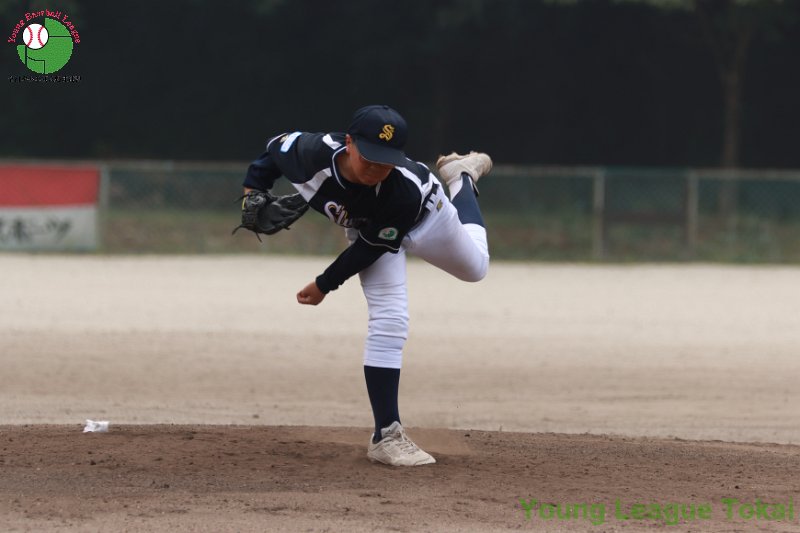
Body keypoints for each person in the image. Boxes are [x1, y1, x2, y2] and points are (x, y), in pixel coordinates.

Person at [242, 104, 492, 466]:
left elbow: (370, 249)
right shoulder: (310, 153)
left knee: (477, 268)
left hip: (426, 218)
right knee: (390, 319)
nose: (376, 169)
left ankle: (460, 177)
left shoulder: (401, 190)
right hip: (367, 228)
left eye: (386, 162)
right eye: (370, 158)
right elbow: (272, 151)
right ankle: (386, 435)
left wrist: (324, 284)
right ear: (349, 143)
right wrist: (253, 192)